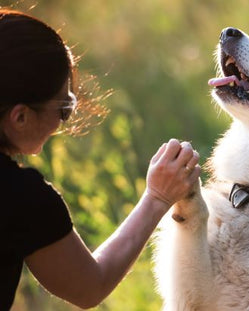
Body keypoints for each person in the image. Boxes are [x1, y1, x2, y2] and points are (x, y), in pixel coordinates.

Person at [0, 9, 201, 310]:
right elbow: (89, 286)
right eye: (64, 109)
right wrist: (157, 197)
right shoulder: (20, 197)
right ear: (20, 117)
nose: (62, 125)